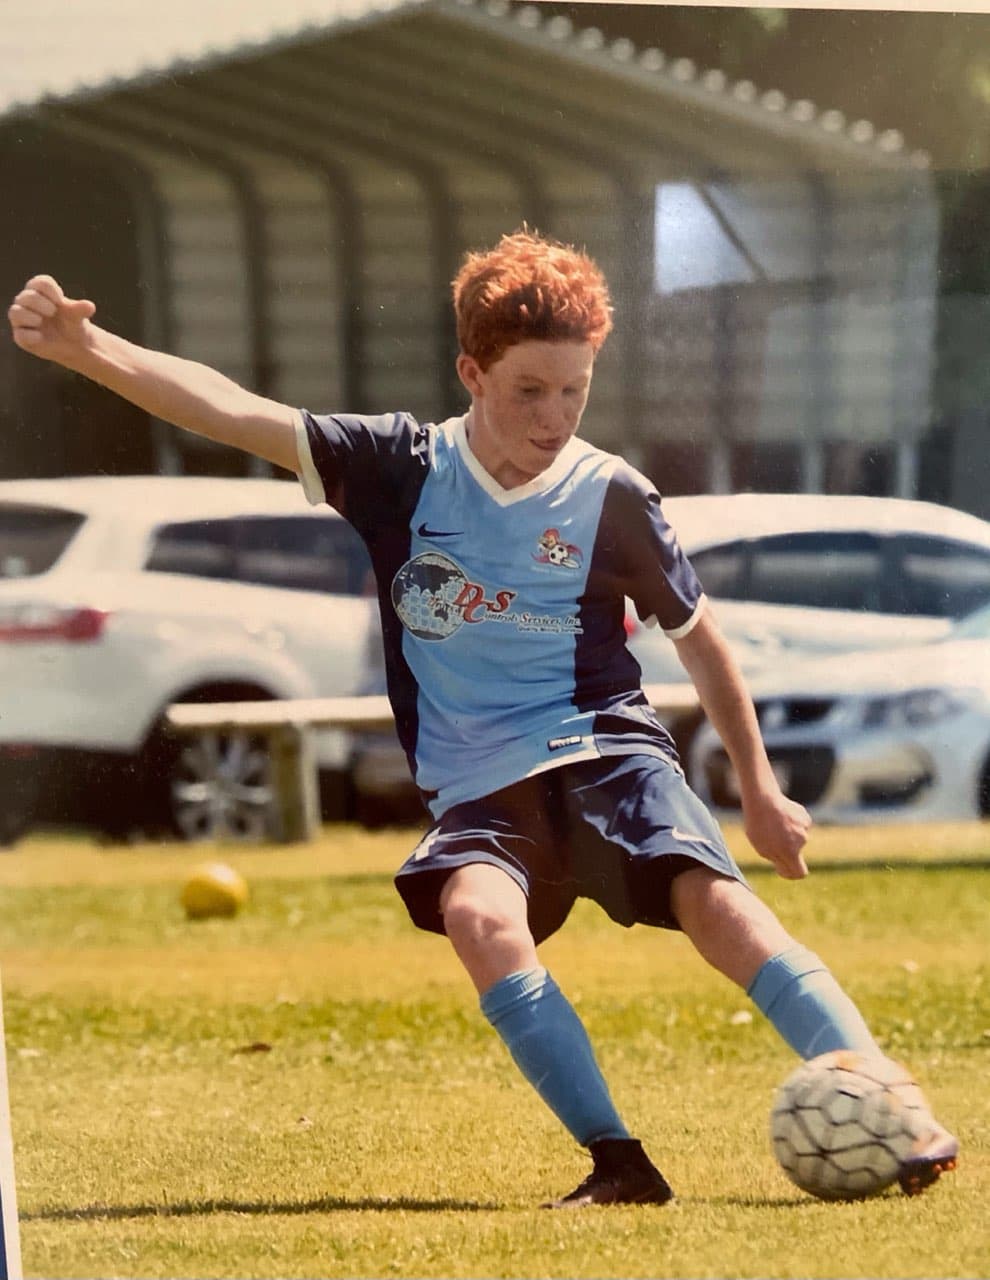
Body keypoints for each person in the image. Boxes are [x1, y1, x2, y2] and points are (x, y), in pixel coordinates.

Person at [7, 231, 958, 1208]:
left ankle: (896, 1102)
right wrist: (89, 351)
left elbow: (704, 641)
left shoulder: (611, 494)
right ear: (471, 371)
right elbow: (232, 409)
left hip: (605, 747)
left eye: (575, 390)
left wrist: (759, 790)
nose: (555, 417)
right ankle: (620, 1163)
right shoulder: (398, 467)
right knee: (478, 918)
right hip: (477, 781)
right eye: (529, 390)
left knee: (716, 906)